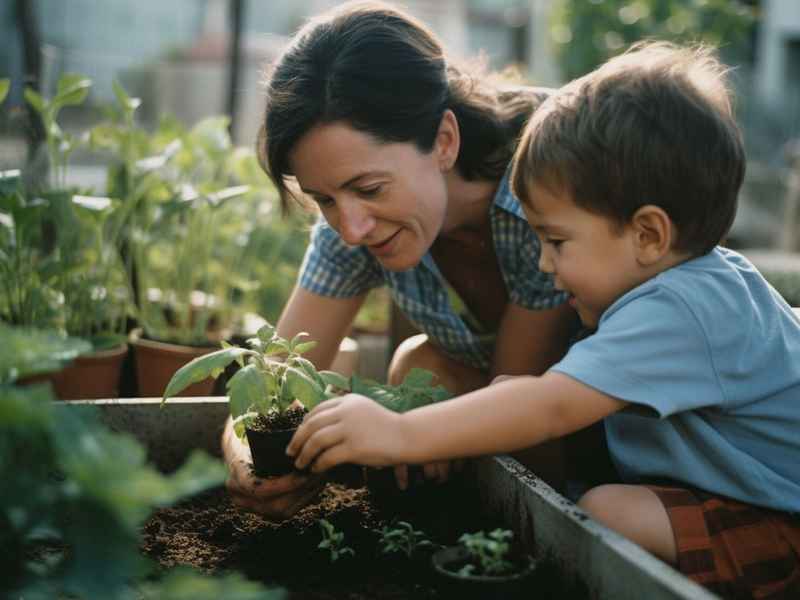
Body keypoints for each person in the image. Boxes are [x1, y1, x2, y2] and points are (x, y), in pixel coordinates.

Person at [288, 41, 800, 598]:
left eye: (556, 241)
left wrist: (400, 432)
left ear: (648, 234)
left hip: (781, 517)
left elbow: (553, 406)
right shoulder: (673, 288)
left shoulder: (680, 308)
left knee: (608, 513)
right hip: (732, 494)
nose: (542, 261)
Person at [223, 0, 578, 519]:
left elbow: (516, 405)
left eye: (368, 188)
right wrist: (247, 462)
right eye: (323, 198)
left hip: (619, 430)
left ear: (444, 140)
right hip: (515, 409)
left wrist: (399, 435)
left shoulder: (542, 187)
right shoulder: (353, 225)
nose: (350, 228)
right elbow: (273, 380)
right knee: (423, 370)